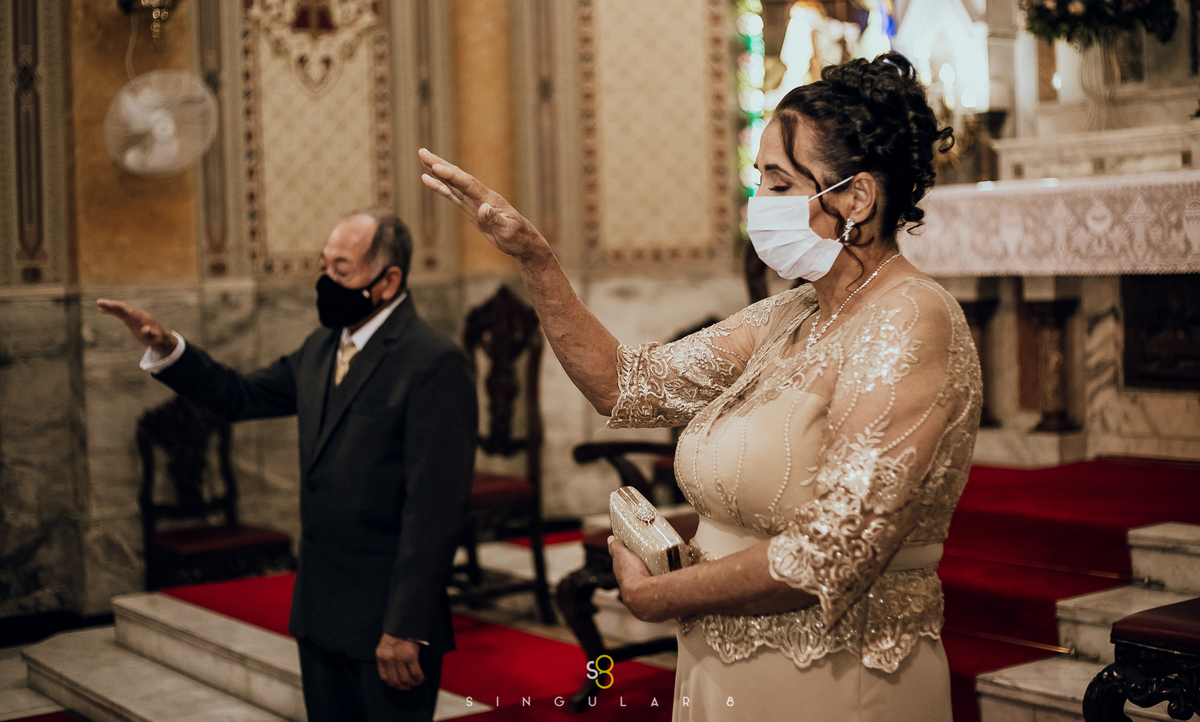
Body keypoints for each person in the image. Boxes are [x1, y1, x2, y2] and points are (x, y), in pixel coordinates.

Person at [418, 52, 981, 721]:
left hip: (835, 681)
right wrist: (536, 259)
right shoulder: (789, 312)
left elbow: (833, 551)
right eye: (760, 181)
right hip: (725, 665)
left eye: (778, 183)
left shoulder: (912, 318)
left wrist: (665, 597)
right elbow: (629, 386)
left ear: (856, 197)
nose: (759, 203)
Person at [97, 207, 477, 722]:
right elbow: (240, 396)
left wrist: (405, 626)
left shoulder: (432, 361)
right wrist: (170, 350)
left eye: (341, 271)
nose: (326, 281)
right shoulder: (323, 346)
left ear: (388, 281)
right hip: (319, 611)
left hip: (387, 619)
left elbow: (434, 509)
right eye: (324, 267)